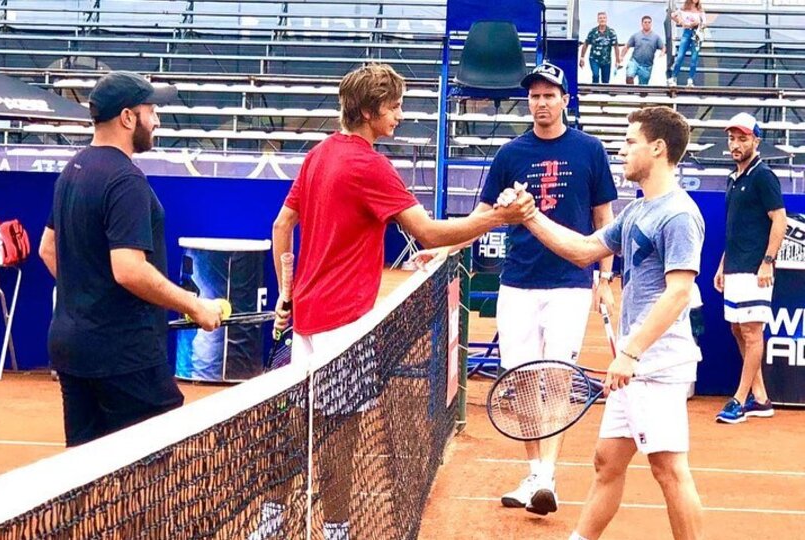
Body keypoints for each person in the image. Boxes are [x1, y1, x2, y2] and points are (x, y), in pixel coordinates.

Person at [252, 63, 533, 540]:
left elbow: (282, 226)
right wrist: (499, 219)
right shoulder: (370, 166)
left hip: (308, 322)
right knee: (341, 436)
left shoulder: (319, 154)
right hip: (345, 326)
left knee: (297, 426)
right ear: (368, 111)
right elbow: (429, 232)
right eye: (394, 107)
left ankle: (271, 523)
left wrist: (287, 292)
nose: (400, 116)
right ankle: (336, 530)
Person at [504, 105, 705, 540]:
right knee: (606, 462)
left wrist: (630, 353)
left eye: (631, 142)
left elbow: (678, 293)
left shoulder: (678, 214)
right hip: (634, 364)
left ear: (657, 148)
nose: (622, 150)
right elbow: (582, 250)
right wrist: (530, 215)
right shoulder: (636, 211)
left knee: (669, 470)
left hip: (657, 363)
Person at [39, 71, 225, 447]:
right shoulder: (126, 181)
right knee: (154, 464)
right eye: (151, 111)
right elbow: (129, 270)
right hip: (124, 354)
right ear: (128, 118)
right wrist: (195, 306)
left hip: (73, 347)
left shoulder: (73, 170)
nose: (157, 121)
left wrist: (92, 296)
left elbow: (48, 248)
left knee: (87, 465)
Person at [478, 62, 617, 516]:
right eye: (534, 96)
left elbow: (604, 221)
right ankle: (536, 472)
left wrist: (606, 278)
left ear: (564, 100)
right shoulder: (509, 154)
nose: (541, 103)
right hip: (517, 282)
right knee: (520, 382)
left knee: (556, 379)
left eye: (549, 95)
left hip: (569, 285)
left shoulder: (590, 150)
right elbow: (484, 214)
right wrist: (442, 247)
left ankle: (546, 477)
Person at [713, 112, 786, 424]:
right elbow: (735, 228)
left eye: (742, 139)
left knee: (752, 332)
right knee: (737, 329)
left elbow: (779, 220)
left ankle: (739, 400)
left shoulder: (763, 176)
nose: (735, 144)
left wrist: (767, 262)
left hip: (756, 270)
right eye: (732, 138)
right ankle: (761, 398)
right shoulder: (734, 178)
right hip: (735, 267)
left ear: (756, 141)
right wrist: (723, 265)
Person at [668, 0, 707, 87]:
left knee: (694, 58)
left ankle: (690, 79)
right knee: (680, 55)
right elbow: (673, 15)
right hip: (687, 32)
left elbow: (704, 24)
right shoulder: (684, 8)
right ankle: (674, 77)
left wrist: (698, 23)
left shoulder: (700, 10)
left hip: (696, 33)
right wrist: (681, 22)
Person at [621, 15, 666, 86]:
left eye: (649, 22)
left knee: (643, 88)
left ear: (651, 24)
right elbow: (627, 46)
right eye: (645, 22)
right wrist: (621, 57)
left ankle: (639, 91)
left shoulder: (656, 37)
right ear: (642, 24)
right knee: (629, 76)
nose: (647, 24)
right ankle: (631, 91)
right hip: (635, 61)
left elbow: (663, 47)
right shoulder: (636, 35)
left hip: (647, 66)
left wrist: (662, 53)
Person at [580, 12, 622, 84]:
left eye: (604, 18)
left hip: (606, 61)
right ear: (597, 20)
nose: (602, 20)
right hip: (594, 59)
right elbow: (586, 44)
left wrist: (617, 60)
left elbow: (616, 47)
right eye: (600, 18)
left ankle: (603, 91)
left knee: (605, 81)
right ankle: (594, 90)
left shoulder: (611, 32)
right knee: (595, 75)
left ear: (606, 19)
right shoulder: (592, 31)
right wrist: (582, 57)